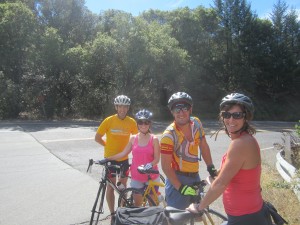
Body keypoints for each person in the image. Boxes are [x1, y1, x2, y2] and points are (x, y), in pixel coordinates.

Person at [187, 93, 271, 225]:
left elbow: (220, 184)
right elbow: (229, 171)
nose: (231, 120)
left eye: (237, 115)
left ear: (245, 117)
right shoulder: (243, 139)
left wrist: (199, 207)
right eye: (227, 115)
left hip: (245, 218)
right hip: (248, 214)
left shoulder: (241, 143)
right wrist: (210, 178)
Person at [160, 92, 217, 210]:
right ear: (172, 112)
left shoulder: (196, 123)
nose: (181, 112)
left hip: (195, 177)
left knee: (198, 215)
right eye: (177, 109)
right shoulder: (168, 136)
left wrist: (210, 167)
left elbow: (203, 145)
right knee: (177, 220)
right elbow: (165, 167)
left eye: (185, 108)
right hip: (177, 179)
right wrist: (180, 187)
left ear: (190, 109)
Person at [101, 109, 160, 206]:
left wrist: (149, 165)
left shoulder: (154, 139)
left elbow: (157, 159)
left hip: (151, 176)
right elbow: (123, 153)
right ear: (137, 124)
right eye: (140, 122)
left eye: (146, 122)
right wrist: (107, 159)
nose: (143, 125)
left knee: (152, 206)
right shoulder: (133, 138)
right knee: (137, 206)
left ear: (150, 124)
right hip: (137, 176)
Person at [95, 95, 138, 221]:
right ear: (116, 107)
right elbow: (97, 138)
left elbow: (136, 139)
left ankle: (121, 211)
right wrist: (107, 146)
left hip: (124, 159)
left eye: (125, 107)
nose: (123, 109)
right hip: (110, 159)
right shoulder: (109, 120)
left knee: (122, 187)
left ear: (128, 108)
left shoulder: (131, 122)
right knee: (110, 186)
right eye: (120, 106)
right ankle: (113, 213)